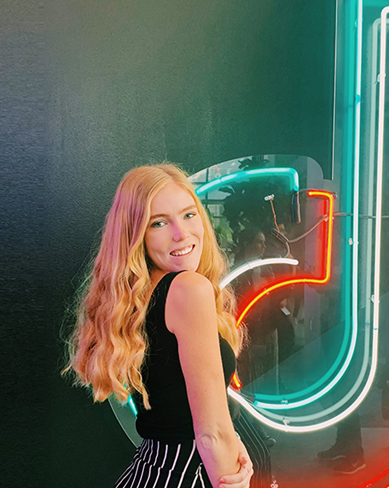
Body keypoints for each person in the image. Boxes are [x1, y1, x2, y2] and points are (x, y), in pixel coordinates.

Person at [65, 164, 253, 488]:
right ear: (136, 235)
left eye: (189, 215)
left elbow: (181, 412)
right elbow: (209, 435)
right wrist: (227, 451)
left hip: (151, 471)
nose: (181, 233)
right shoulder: (188, 290)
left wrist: (232, 442)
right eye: (159, 223)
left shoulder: (139, 297)